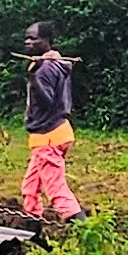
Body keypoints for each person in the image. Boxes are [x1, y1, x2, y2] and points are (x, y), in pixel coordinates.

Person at [20, 23, 83, 220]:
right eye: (27, 38)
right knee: (30, 188)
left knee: (57, 193)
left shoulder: (45, 69)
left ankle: (87, 233)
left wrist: (32, 78)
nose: (28, 42)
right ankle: (34, 230)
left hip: (47, 136)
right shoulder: (58, 63)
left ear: (47, 40)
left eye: (33, 38)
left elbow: (46, 101)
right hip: (59, 132)